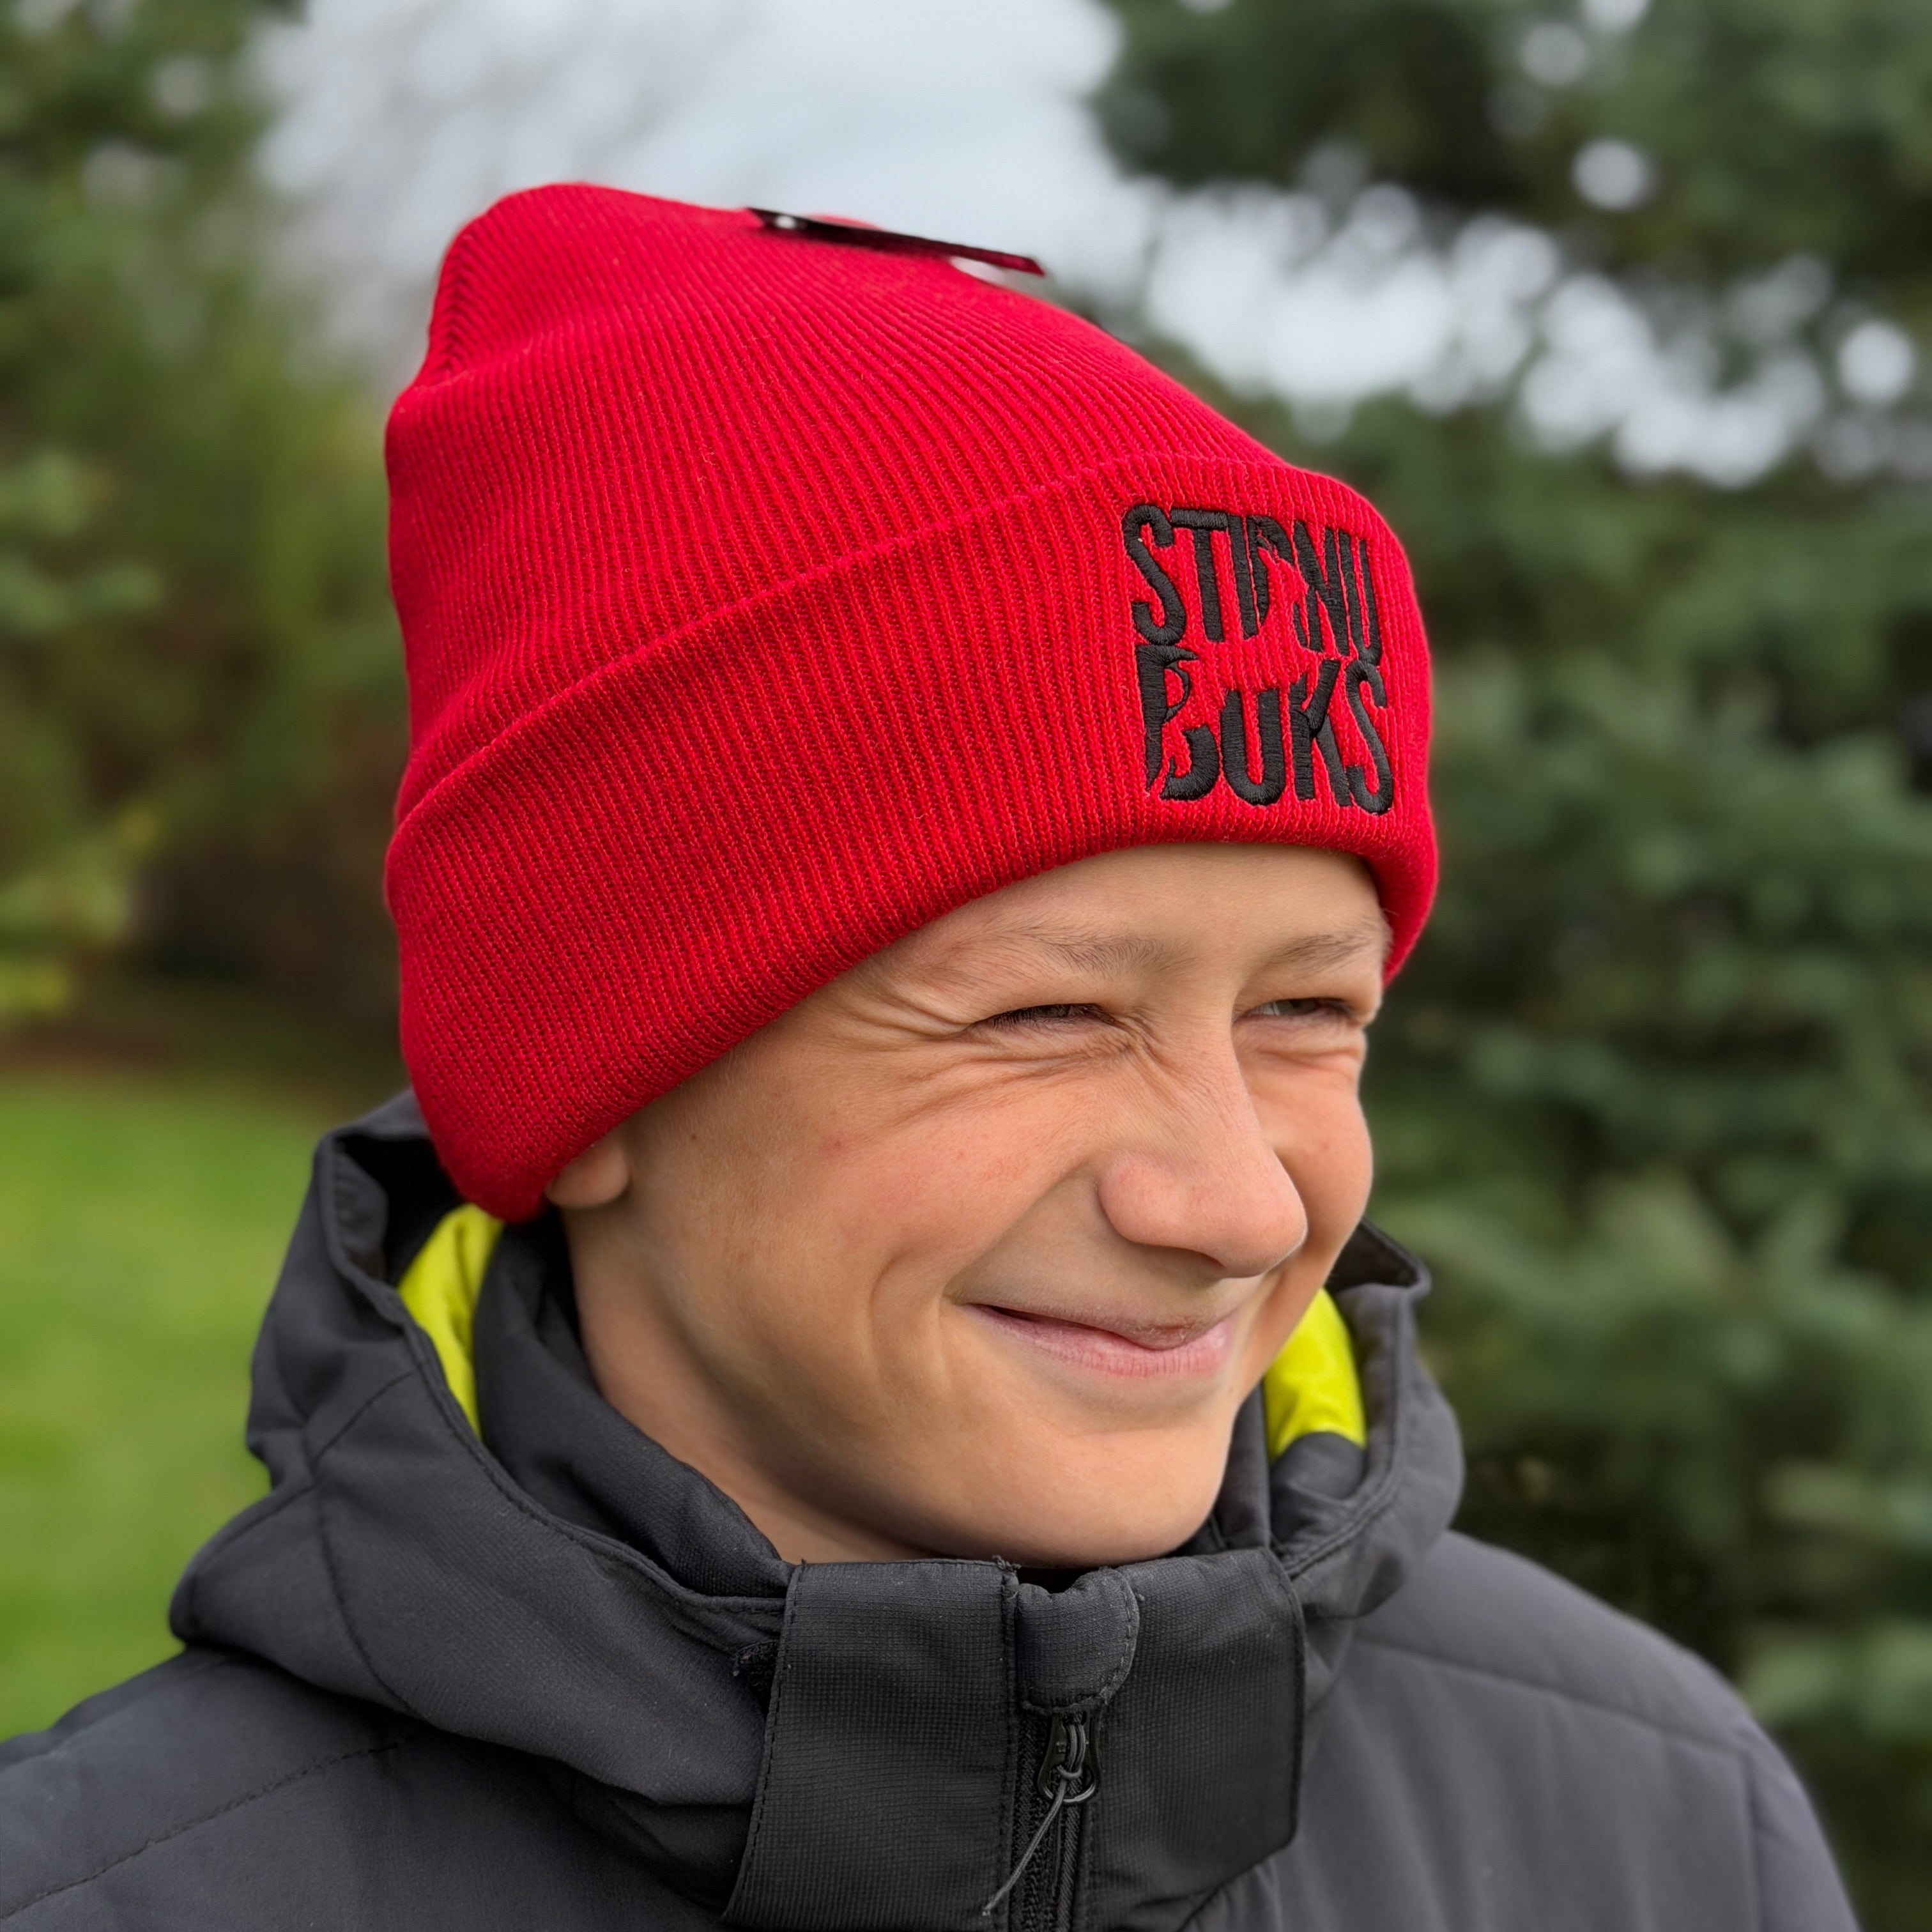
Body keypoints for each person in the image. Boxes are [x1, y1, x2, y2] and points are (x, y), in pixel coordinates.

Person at [0, 186, 1855, 1932]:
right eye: (1044, 1015)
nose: (1226, 1203)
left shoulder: (1652, 1825)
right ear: (586, 1087)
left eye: (1307, 1012)